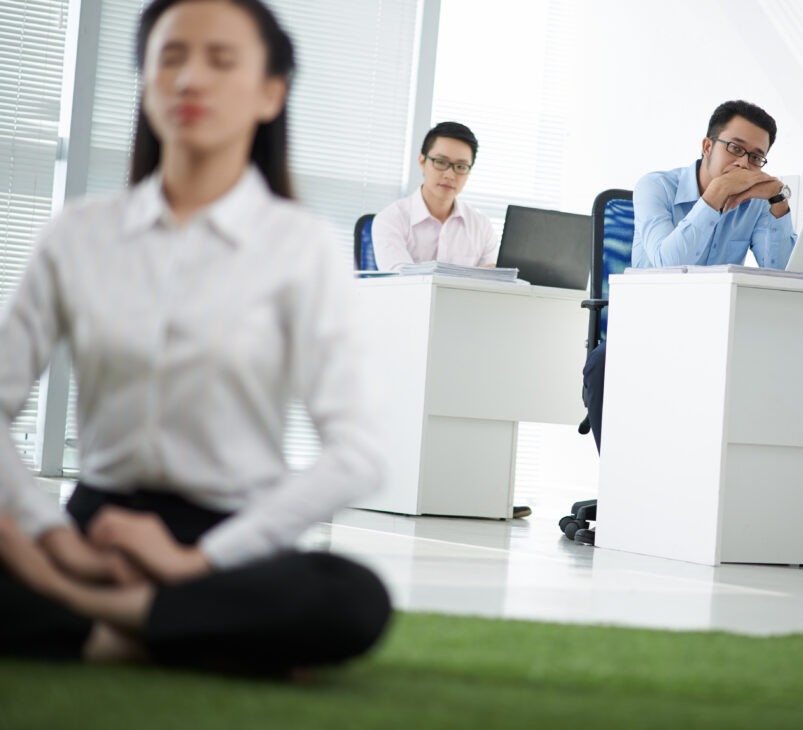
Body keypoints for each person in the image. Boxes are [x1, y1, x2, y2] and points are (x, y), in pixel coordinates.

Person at [0, 0, 390, 674]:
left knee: (351, 598)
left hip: (227, 539)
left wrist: (196, 562)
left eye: (219, 60)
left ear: (272, 93)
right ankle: (190, 632)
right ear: (145, 81)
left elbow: (358, 454)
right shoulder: (77, 234)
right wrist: (51, 534)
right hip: (96, 532)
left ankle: (102, 620)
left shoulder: (301, 248)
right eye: (170, 58)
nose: (188, 80)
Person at [582, 100, 796, 455]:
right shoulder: (656, 188)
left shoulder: (757, 202)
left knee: (772, 370)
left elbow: (781, 273)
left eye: (756, 157)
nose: (744, 163)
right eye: (735, 148)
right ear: (707, 146)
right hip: (647, 332)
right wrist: (714, 197)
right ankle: (622, 489)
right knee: (604, 363)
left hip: (714, 336)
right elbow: (669, 263)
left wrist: (777, 200)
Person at [372, 121, 499, 271]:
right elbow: (402, 284)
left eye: (460, 167)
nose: (450, 175)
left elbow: (491, 285)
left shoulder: (481, 226)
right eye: (440, 162)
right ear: (422, 161)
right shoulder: (391, 219)